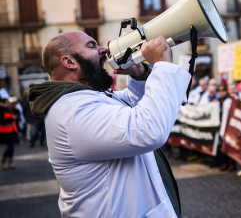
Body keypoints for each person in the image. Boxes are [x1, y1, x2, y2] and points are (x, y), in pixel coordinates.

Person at [28, 31, 190, 217]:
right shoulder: (72, 111)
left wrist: (141, 74)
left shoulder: (88, 98)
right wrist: (162, 64)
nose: (103, 50)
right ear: (69, 62)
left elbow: (134, 105)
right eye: (91, 46)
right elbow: (147, 131)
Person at [0, 94, 18, 170]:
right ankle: (3, 162)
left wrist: (13, 107)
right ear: (3, 103)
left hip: (12, 131)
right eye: (7, 102)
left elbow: (17, 113)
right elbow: (2, 121)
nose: (9, 103)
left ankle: (9, 163)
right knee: (10, 147)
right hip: (4, 132)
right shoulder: (1, 110)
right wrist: (12, 118)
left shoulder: (9, 109)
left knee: (12, 147)